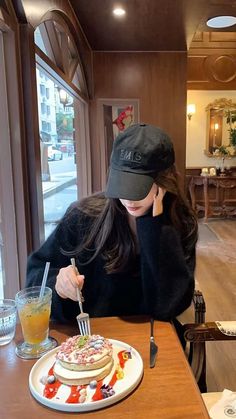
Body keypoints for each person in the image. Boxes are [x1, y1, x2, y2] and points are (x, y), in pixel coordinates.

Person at [26, 123, 198, 338]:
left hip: (152, 339)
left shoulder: (182, 223)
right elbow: (36, 275)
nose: (127, 198)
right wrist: (58, 285)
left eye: (138, 187)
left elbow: (169, 306)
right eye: (121, 184)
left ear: (164, 182)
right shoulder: (84, 215)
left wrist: (156, 229)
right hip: (88, 340)